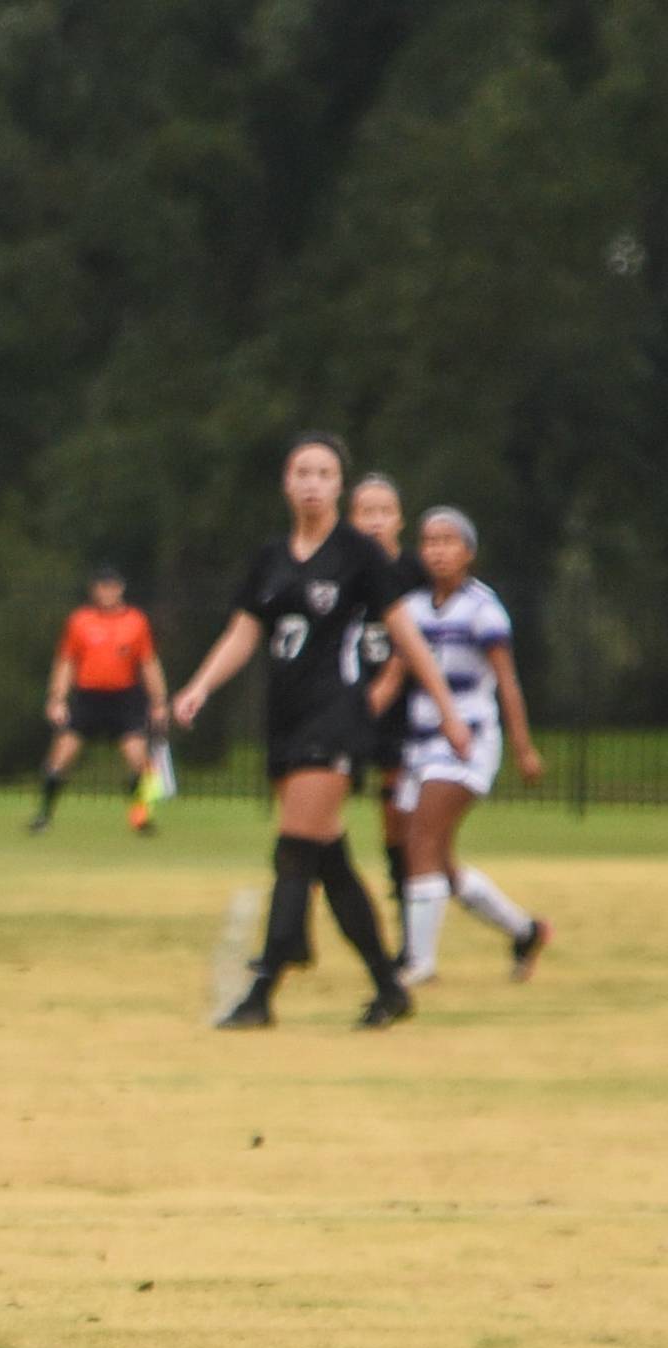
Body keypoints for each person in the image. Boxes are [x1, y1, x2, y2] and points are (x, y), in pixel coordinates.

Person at [172, 433, 471, 1030]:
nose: (312, 482)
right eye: (302, 472)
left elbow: (406, 635)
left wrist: (448, 709)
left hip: (336, 718)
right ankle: (389, 986)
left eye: (324, 473)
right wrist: (200, 685)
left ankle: (266, 983)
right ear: (286, 483)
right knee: (328, 859)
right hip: (284, 721)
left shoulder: (359, 554)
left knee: (294, 848)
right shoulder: (271, 558)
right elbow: (243, 632)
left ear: (339, 485)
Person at [387, 507, 550, 984]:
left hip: (465, 742)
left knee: (420, 840)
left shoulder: (483, 609)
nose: (437, 550)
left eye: (448, 541)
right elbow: (394, 677)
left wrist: (523, 747)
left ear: (469, 552)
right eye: (429, 541)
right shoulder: (412, 607)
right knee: (438, 861)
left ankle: (419, 963)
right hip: (420, 744)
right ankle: (524, 931)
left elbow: (507, 682)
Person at [345, 473, 432, 959]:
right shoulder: (343, 569)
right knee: (318, 816)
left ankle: (408, 935)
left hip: (401, 715)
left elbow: (414, 641)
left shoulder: (413, 574)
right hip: (350, 707)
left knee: (397, 820)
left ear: (399, 518)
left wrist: (390, 682)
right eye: (365, 512)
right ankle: (294, 928)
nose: (375, 520)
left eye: (384, 511)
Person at [30, 567, 169, 835]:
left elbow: (148, 663)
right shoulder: (80, 621)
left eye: (112, 586)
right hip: (88, 698)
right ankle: (43, 815)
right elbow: (66, 661)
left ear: (121, 589)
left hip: (124, 698)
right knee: (61, 756)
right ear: (94, 590)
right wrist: (57, 698)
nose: (107, 592)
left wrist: (159, 702)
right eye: (102, 587)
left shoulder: (136, 621)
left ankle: (140, 817)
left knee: (139, 760)